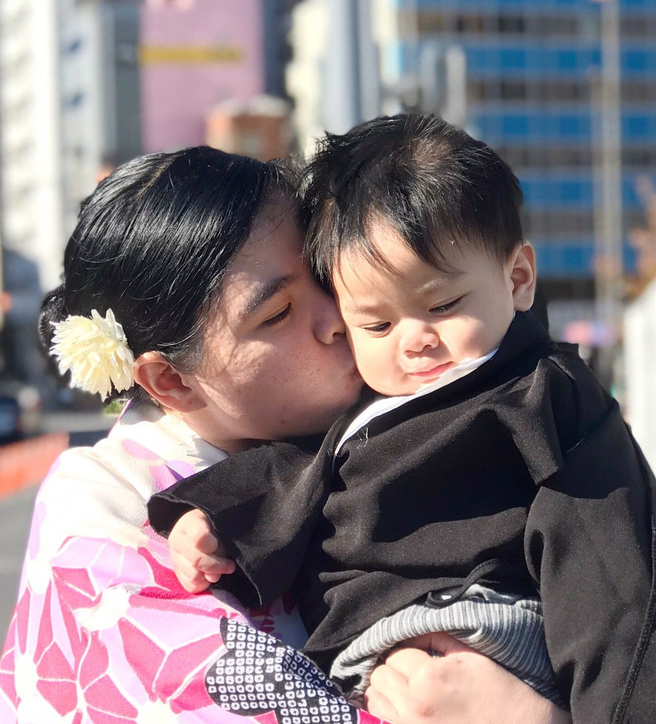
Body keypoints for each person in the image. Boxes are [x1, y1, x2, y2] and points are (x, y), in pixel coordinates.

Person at [0, 145, 569, 723]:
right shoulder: (106, 510)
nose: (338, 317)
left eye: (324, 275)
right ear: (170, 380)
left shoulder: (418, 403)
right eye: (277, 314)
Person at [149, 116, 656, 723]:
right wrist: (219, 520)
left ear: (517, 279)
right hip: (361, 665)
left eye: (442, 304)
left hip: (491, 631)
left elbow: (612, 578)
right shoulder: (363, 402)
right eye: (377, 324)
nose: (414, 340)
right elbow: (296, 472)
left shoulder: (545, 394)